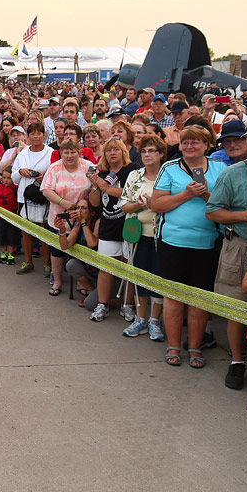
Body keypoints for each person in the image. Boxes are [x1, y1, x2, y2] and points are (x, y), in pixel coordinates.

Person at [152, 125, 226, 368]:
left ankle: (195, 347)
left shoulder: (220, 168)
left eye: (195, 142)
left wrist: (205, 195)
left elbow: (226, 205)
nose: (189, 146)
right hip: (173, 243)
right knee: (173, 296)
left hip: (207, 244)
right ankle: (173, 345)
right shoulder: (169, 168)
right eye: (185, 142)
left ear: (207, 145)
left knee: (199, 298)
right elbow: (156, 204)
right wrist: (185, 195)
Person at [205, 130, 247, 390]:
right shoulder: (233, 174)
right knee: (236, 306)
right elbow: (212, 211)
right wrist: (244, 216)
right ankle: (237, 361)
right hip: (240, 247)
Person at [119, 134, 167, 341]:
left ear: (161, 154)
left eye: (152, 151)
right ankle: (140, 320)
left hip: (161, 236)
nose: (147, 155)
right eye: (144, 151)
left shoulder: (168, 175)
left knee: (157, 279)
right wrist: (138, 205)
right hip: (137, 235)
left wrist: (154, 204)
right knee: (139, 278)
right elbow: (123, 205)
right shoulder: (135, 175)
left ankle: (155, 321)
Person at [87, 138, 137, 322]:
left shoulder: (133, 170)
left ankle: (128, 304)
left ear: (123, 152)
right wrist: (95, 185)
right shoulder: (102, 173)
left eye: (116, 149)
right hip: (108, 225)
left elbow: (132, 193)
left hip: (128, 225)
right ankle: (102, 305)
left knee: (128, 268)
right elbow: (95, 203)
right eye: (108, 150)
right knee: (106, 268)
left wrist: (106, 188)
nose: (112, 153)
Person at [40, 139, 93, 296]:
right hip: (59, 217)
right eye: (66, 152)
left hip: (81, 217)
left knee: (80, 251)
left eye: (73, 152)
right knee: (58, 251)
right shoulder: (54, 167)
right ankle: (57, 281)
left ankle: (81, 282)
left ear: (79, 152)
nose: (69, 156)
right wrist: (64, 203)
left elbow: (95, 187)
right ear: (61, 153)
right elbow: (46, 190)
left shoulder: (89, 166)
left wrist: (82, 206)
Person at [11, 123, 53, 275]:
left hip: (42, 195)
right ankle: (28, 262)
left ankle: (47, 263)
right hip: (24, 196)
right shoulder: (22, 154)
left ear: (44, 135)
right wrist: (21, 172)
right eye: (32, 134)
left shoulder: (50, 152)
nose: (36, 136)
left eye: (38, 133)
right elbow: (13, 176)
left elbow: (55, 172)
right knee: (26, 230)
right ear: (28, 136)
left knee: (44, 229)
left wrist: (44, 177)